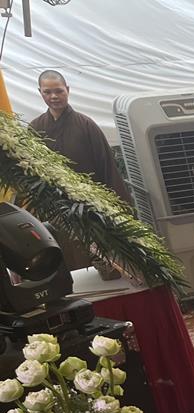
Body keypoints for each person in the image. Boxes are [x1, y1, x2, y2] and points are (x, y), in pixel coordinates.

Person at [29, 70, 134, 272]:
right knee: (70, 256)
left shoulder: (86, 125)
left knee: (100, 256)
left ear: (67, 90)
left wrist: (119, 209)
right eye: (47, 92)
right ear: (40, 92)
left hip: (91, 207)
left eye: (58, 91)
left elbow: (107, 167)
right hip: (57, 209)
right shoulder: (35, 128)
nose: (53, 96)